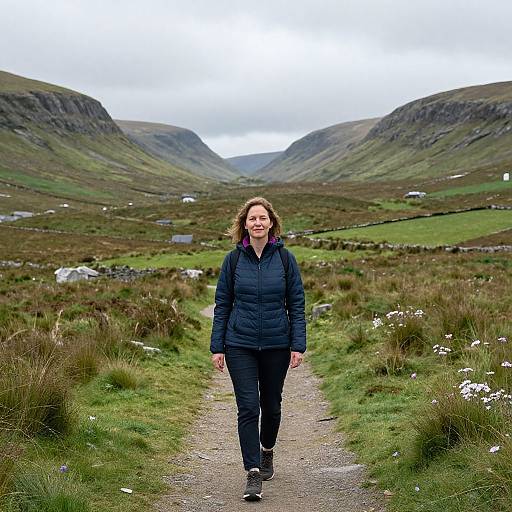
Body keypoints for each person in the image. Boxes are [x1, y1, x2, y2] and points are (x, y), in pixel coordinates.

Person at [210, 196, 306, 502]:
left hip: (277, 344)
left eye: (262, 218)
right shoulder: (233, 261)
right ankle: (252, 472)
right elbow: (222, 304)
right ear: (245, 224)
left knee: (272, 406)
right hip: (240, 344)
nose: (258, 223)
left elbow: (297, 305)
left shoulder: (286, 259)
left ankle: (267, 450)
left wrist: (298, 344)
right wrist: (217, 346)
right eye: (252, 219)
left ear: (271, 223)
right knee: (248, 407)